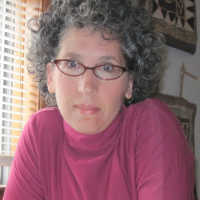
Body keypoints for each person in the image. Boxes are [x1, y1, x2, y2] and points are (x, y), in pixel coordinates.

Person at [3, 0, 195, 199]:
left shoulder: (153, 125)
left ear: (129, 83)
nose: (87, 87)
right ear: (51, 77)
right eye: (72, 64)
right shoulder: (39, 132)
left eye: (107, 67)